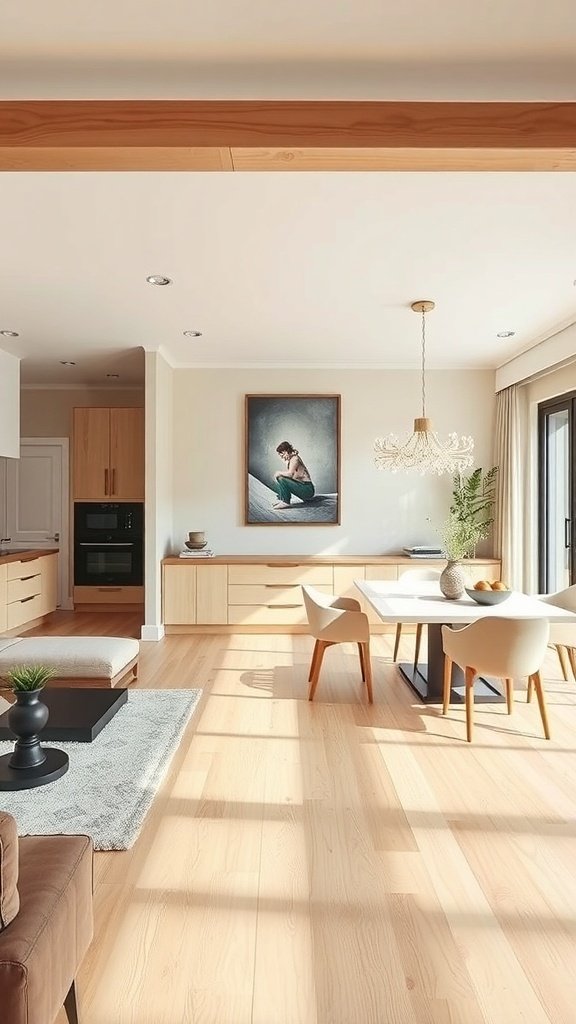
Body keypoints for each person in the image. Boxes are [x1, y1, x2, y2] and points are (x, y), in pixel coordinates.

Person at [272, 441, 315, 509]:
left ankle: (286, 502)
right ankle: (283, 500)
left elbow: (290, 474)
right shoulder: (292, 459)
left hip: (307, 489)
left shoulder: (295, 459)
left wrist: (278, 472)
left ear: (285, 452)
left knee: (281, 478)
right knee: (280, 478)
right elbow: (293, 477)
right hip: (303, 486)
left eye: (282, 455)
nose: (282, 457)